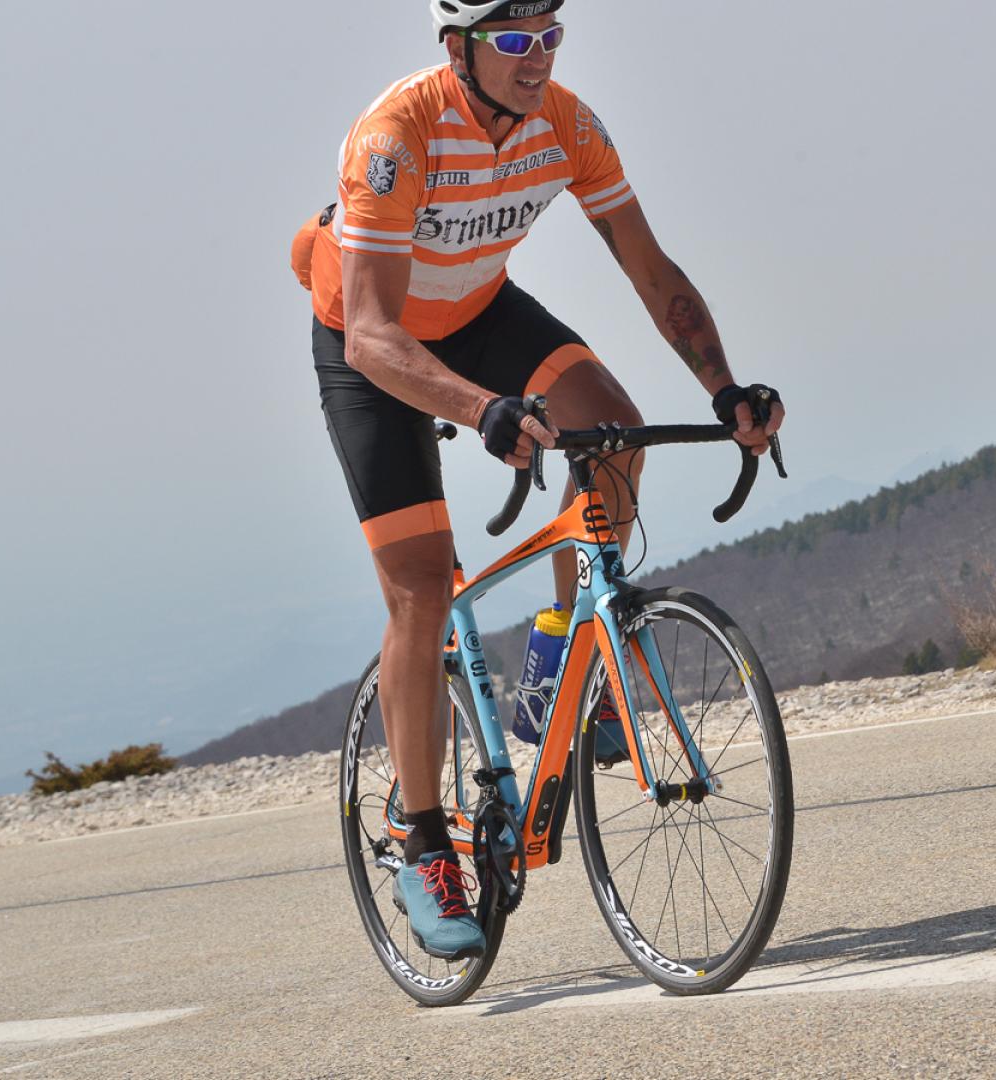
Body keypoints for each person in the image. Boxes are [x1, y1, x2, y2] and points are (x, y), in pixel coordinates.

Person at [291, 0, 783, 961]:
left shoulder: (567, 123)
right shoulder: (398, 134)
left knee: (614, 429)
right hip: (371, 340)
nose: (537, 57)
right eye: (514, 41)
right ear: (458, 47)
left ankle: (562, 658)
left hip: (475, 309)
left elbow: (651, 273)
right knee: (423, 589)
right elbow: (374, 331)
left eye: (551, 36)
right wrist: (481, 411)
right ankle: (423, 840)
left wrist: (725, 387)